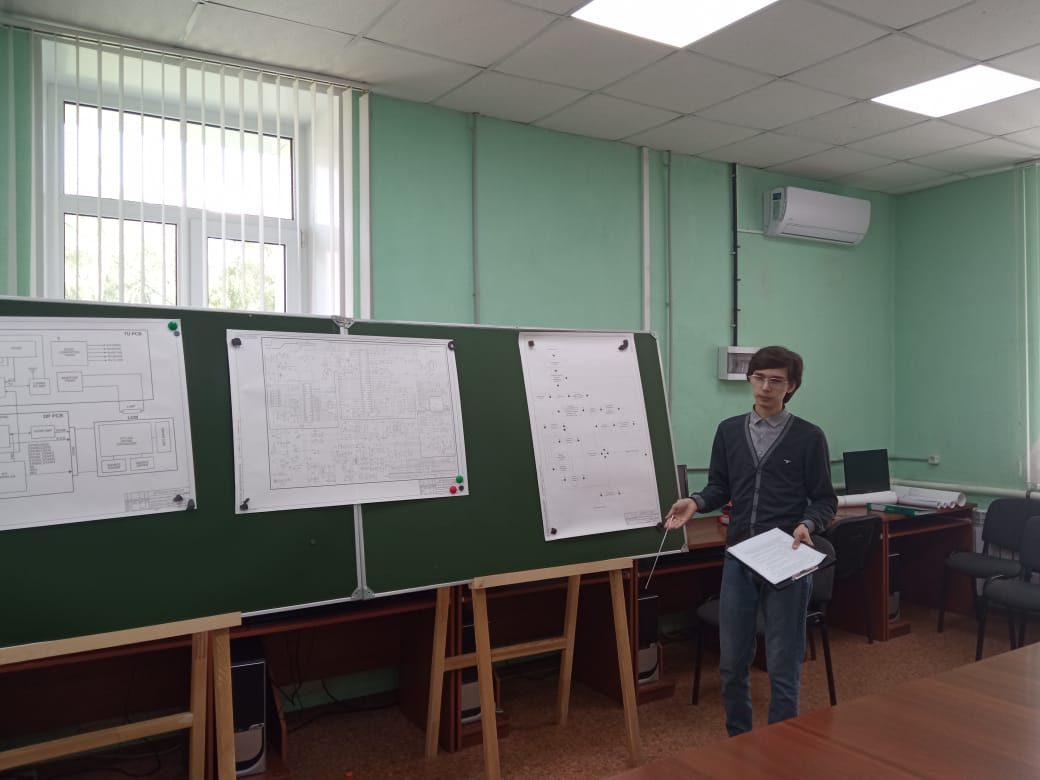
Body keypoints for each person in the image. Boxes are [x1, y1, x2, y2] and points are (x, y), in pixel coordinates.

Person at [664, 345, 836, 736]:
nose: (765, 387)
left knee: (783, 662)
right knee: (732, 662)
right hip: (740, 558)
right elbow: (719, 486)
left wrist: (809, 523)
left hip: (787, 559)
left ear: (791, 387)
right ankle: (738, 739)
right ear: (750, 380)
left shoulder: (809, 437)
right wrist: (696, 502)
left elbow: (825, 499)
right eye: (759, 378)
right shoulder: (729, 431)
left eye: (776, 381)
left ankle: (780, 746)